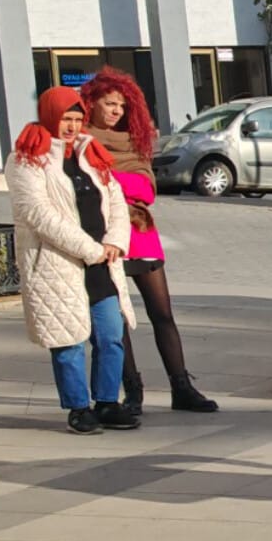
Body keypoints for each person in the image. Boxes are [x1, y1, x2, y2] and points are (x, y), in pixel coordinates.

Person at [81, 69, 217, 415]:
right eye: (109, 104)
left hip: (140, 233)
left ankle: (181, 387)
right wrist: (114, 185)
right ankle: (132, 391)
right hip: (105, 236)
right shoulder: (82, 141)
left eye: (121, 106)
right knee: (116, 318)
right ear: (92, 103)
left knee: (162, 313)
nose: (116, 111)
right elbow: (88, 188)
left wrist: (110, 181)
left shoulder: (134, 139)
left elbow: (146, 189)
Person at [5, 87, 139, 435]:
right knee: (68, 339)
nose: (72, 126)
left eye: (78, 119)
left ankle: (107, 402)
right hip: (57, 263)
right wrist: (89, 248)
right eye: (66, 118)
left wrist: (114, 242)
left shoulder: (89, 152)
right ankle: (79, 408)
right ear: (51, 116)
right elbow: (39, 214)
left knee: (111, 335)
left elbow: (117, 201)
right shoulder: (27, 157)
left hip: (101, 262)